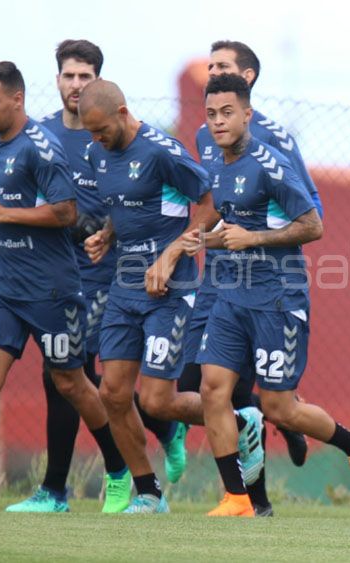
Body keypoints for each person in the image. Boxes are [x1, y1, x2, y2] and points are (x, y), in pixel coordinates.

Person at [0, 61, 129, 511]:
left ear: (18, 99)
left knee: (71, 383)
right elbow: (8, 206)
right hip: (1, 285)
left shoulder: (43, 148)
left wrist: (2, 217)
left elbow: (66, 212)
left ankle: (118, 470)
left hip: (51, 288)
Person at [189, 73, 350, 517]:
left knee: (280, 407)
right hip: (231, 297)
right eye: (212, 114)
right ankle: (237, 497)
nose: (218, 122)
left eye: (227, 113)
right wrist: (191, 242)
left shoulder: (271, 164)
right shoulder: (215, 163)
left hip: (278, 297)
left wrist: (251, 239)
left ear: (248, 114)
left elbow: (313, 225)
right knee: (212, 390)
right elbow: (224, 224)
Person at [5, 39, 184, 513]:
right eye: (69, 75)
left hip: (110, 276)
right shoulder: (42, 134)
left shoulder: (125, 137)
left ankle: (125, 474)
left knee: (88, 379)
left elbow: (150, 202)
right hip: (57, 277)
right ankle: (66, 488)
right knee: (66, 378)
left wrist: (122, 240)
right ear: (57, 79)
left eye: (86, 77)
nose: (76, 86)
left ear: (99, 84)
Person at [78, 78, 218, 513]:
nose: (97, 140)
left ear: (123, 113)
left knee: (157, 399)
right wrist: (106, 234)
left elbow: (212, 203)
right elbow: (125, 207)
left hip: (170, 288)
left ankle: (235, 420)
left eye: (102, 130)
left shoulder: (162, 150)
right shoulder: (96, 153)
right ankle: (149, 493)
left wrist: (173, 251)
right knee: (113, 395)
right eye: (91, 133)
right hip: (123, 286)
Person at [189, 39, 315, 470]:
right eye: (209, 67)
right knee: (203, 380)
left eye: (222, 66)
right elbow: (211, 204)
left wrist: (252, 237)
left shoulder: (275, 143)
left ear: (248, 80)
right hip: (219, 275)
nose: (212, 73)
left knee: (235, 386)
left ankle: (281, 419)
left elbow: (311, 213)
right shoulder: (204, 136)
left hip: (267, 280)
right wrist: (187, 243)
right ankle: (244, 491)